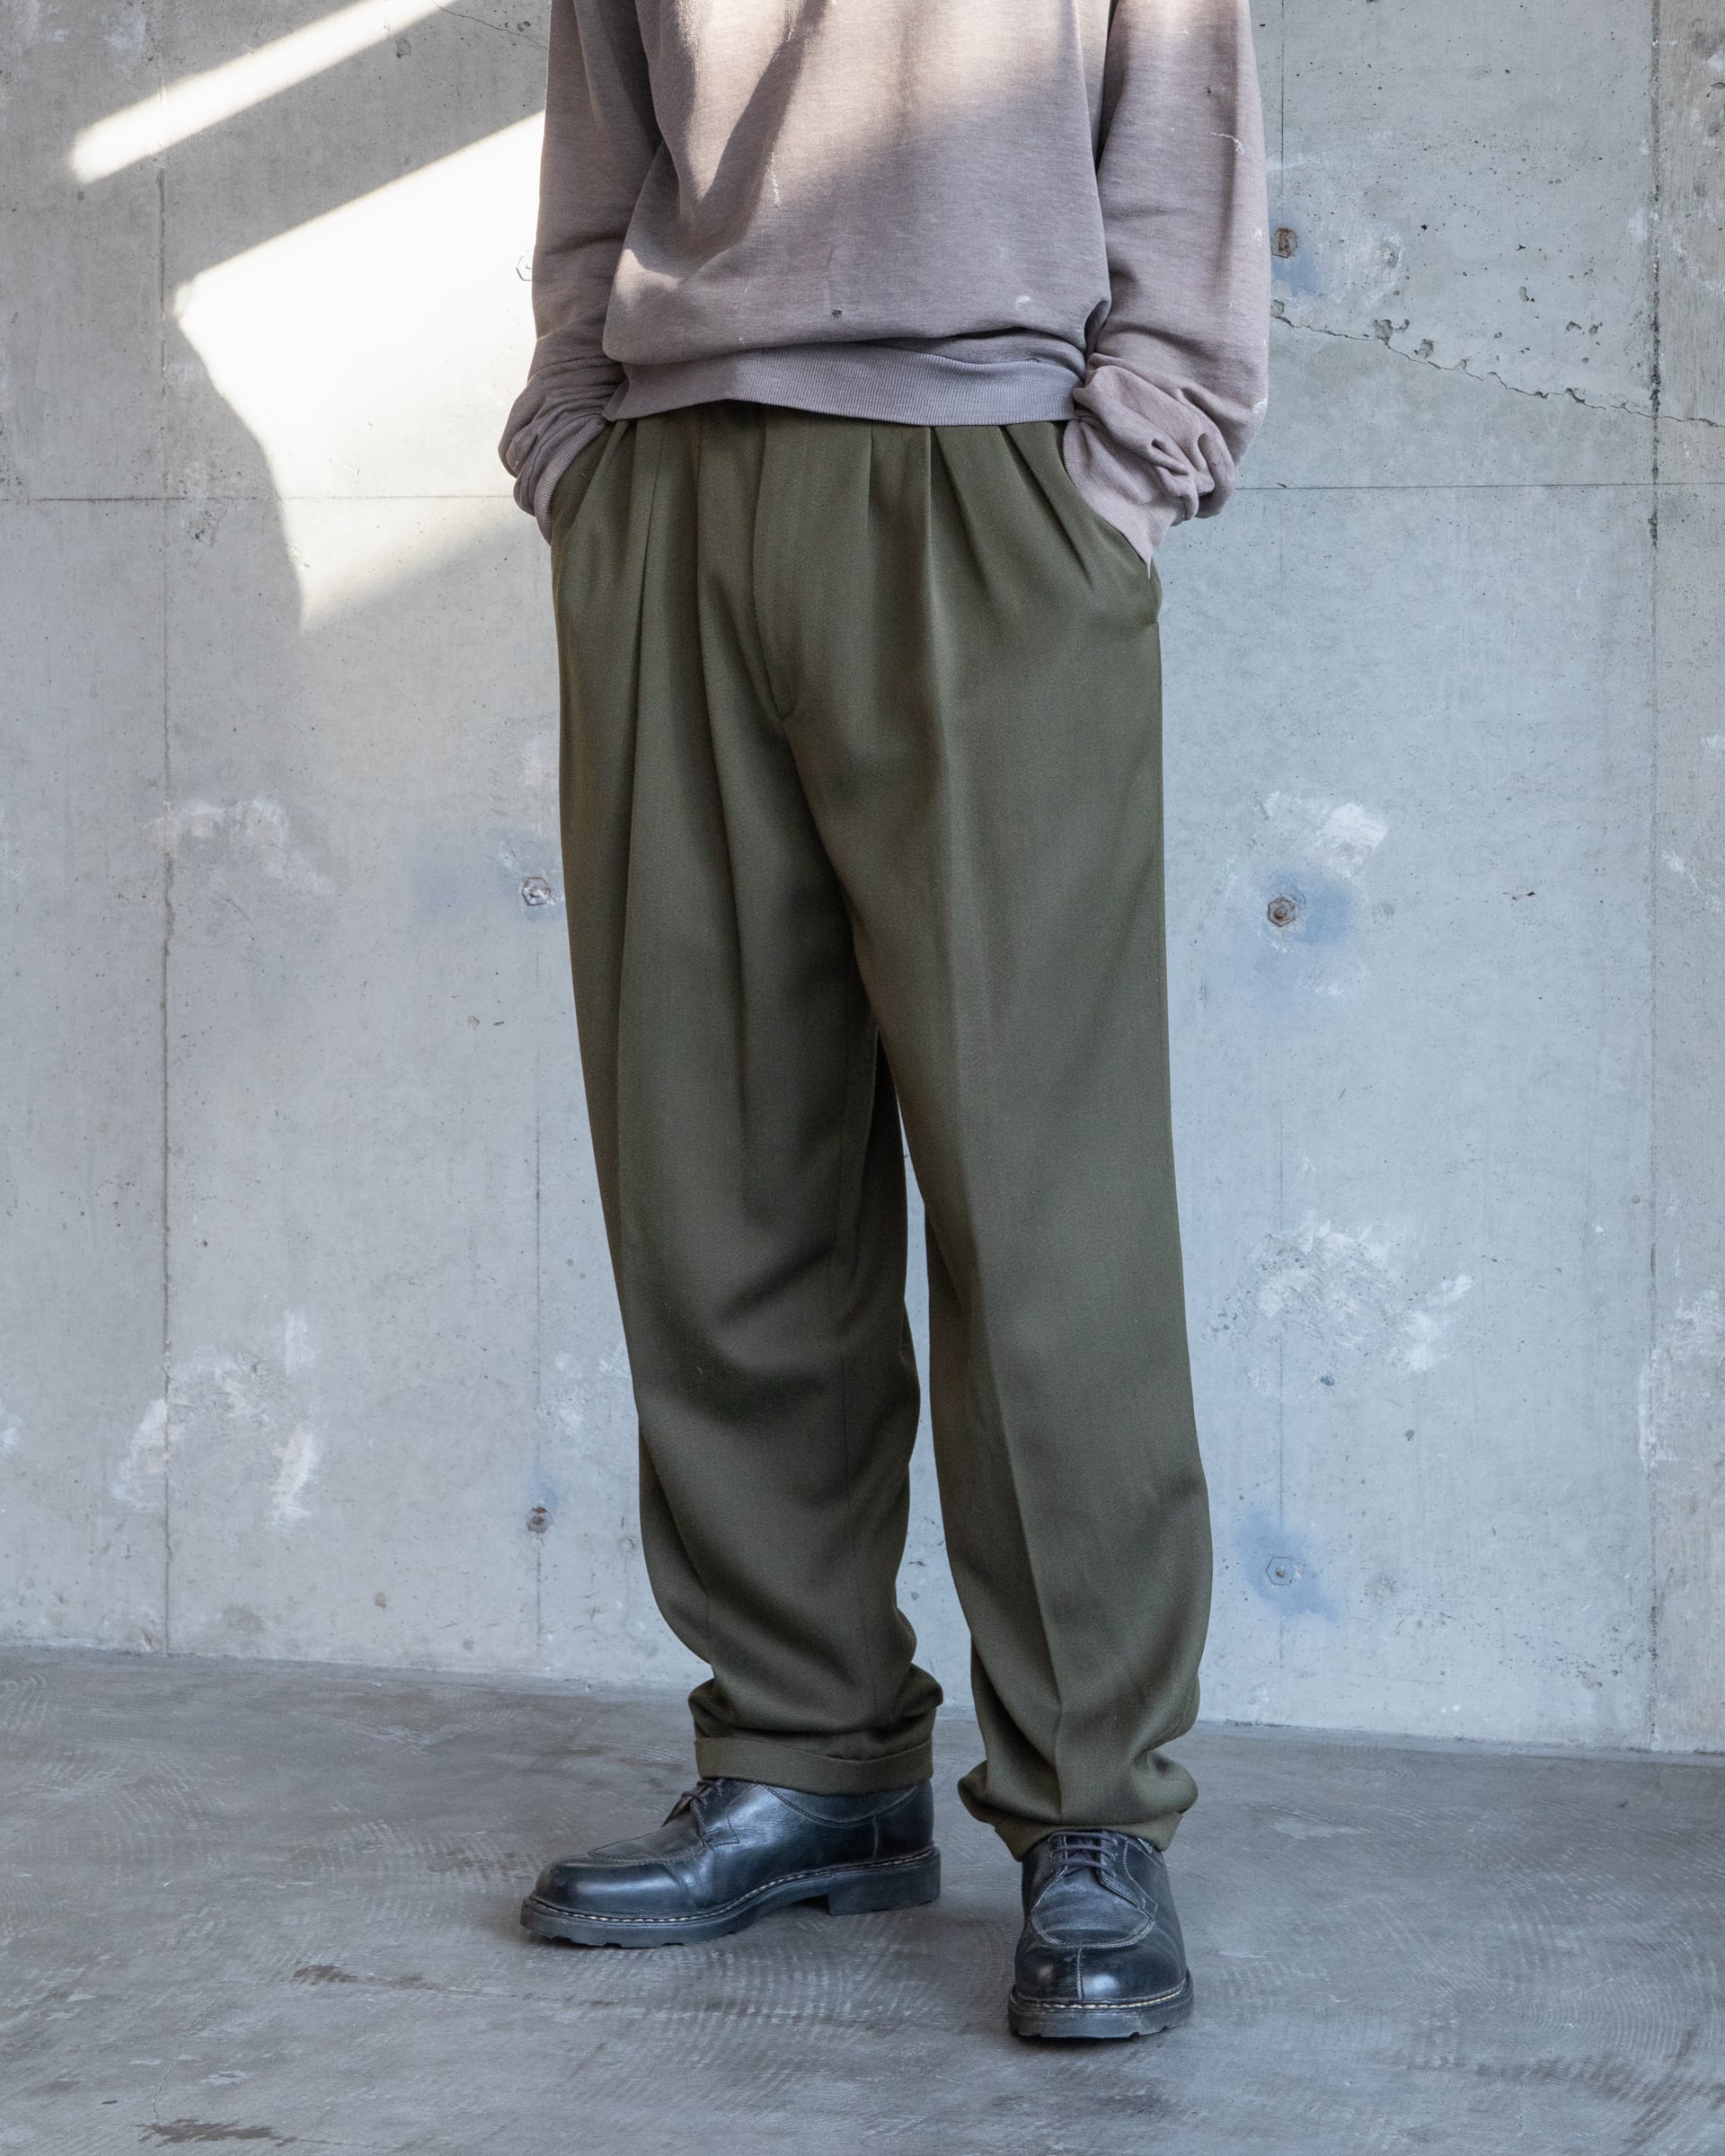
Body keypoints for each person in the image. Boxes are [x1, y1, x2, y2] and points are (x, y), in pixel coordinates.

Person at [499, 0, 1269, 2042]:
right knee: (715, 1164)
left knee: (1044, 1199)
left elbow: (1182, 128)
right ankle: (806, 1753)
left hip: (986, 485)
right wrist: (578, 440)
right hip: (672, 490)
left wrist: (1127, 464)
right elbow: (601, 145)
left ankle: (1092, 1806)